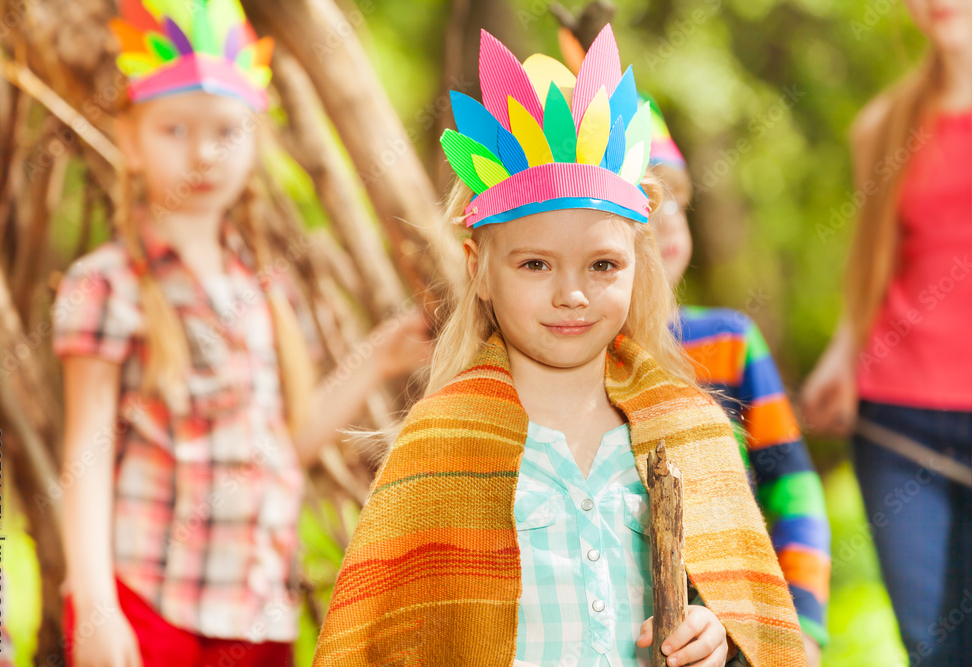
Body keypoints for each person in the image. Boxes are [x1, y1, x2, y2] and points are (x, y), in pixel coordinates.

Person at [313, 25, 805, 667]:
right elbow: (376, 645)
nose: (572, 294)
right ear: (480, 268)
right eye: (536, 265)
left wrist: (722, 645)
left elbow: (758, 635)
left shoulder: (690, 432)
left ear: (638, 262)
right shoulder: (439, 445)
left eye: (602, 266)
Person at [53, 1, 432, 665]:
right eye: (175, 130)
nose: (203, 152)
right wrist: (95, 603)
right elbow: (85, 451)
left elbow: (288, 443)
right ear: (133, 141)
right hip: (148, 600)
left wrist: (376, 359)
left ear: (254, 139)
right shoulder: (105, 283)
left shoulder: (264, 289)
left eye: (226, 131)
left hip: (255, 611)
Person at [801, 0, 971, 664]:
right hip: (899, 422)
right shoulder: (883, 126)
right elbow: (872, 265)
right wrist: (842, 357)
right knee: (931, 645)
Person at [641, 99, 830, 667]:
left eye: (675, 197)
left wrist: (806, 623)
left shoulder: (729, 340)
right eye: (645, 203)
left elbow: (792, 487)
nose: (668, 216)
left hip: (744, 635)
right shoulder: (581, 362)